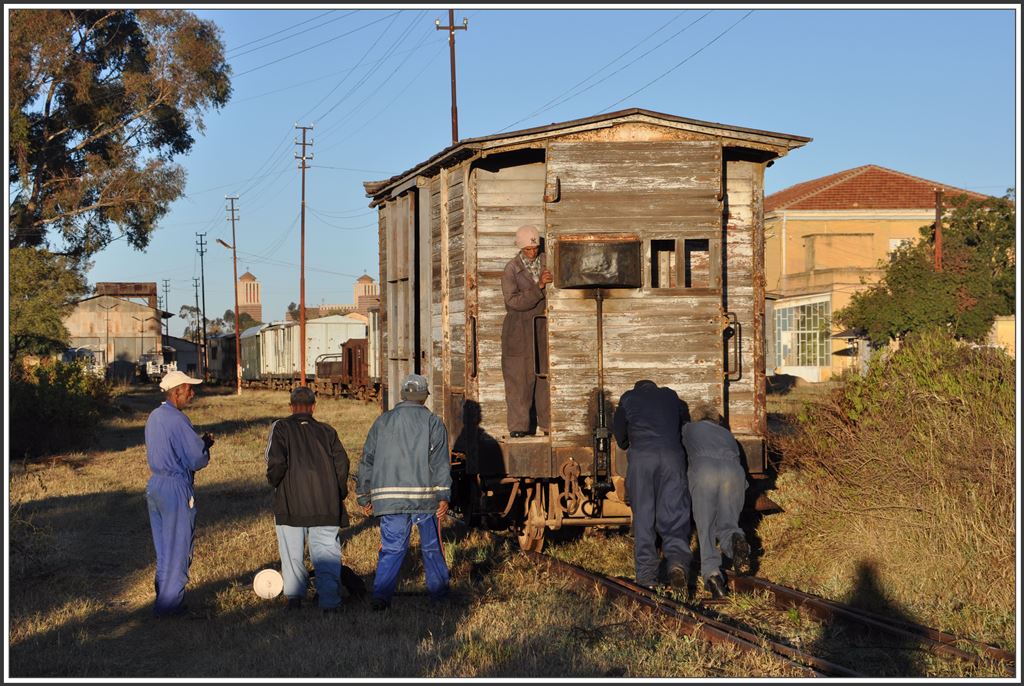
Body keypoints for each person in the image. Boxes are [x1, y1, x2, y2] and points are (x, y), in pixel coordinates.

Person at [357, 373, 451, 611]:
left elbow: (367, 459)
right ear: (424, 397)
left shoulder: (382, 421)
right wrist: (443, 496)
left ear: (402, 395)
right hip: (425, 500)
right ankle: (439, 597)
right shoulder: (433, 422)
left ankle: (380, 597)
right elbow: (439, 463)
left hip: (389, 499)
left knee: (392, 548)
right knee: (431, 547)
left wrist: (364, 495)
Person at [265, 386, 351, 614]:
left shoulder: (280, 428)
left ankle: (294, 599)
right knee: (327, 552)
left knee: (292, 553)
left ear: (291, 406)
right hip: (326, 504)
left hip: (290, 503)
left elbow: (276, 462)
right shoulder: (328, 431)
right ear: (314, 407)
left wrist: (275, 482)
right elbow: (342, 465)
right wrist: (338, 492)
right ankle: (330, 602)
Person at [611, 380, 694, 592]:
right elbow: (683, 426)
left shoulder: (628, 398)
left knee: (645, 517)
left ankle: (647, 577)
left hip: (643, 462)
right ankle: (676, 564)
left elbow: (620, 436)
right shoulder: (672, 396)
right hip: (673, 459)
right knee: (675, 513)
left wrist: (629, 439)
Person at [144, 370, 213, 617]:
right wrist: (205, 446)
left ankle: (163, 598)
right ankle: (170, 607)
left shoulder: (154, 416)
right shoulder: (178, 419)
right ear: (176, 393)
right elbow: (196, 459)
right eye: (189, 389)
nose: (192, 394)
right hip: (175, 487)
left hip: (156, 485)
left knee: (164, 549)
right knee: (180, 548)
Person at [681, 401, 752, 599]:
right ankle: (737, 542)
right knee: (729, 523)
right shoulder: (727, 435)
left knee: (707, 528)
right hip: (733, 475)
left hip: (705, 473)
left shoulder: (689, 429)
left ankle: (713, 575)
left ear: (696, 417)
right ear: (715, 420)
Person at [501, 224, 553, 437]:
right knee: (519, 380)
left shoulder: (547, 262)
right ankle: (519, 428)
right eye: (528, 249)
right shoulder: (511, 269)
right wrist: (538, 288)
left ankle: (549, 424)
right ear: (521, 248)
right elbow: (513, 301)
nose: (533, 252)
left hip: (543, 326)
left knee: (545, 377)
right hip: (519, 331)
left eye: (535, 248)